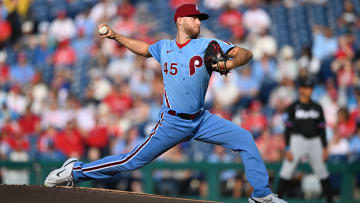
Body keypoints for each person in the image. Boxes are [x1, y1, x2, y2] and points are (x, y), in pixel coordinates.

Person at [44, 4, 287, 203]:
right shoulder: (165, 47)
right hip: (172, 122)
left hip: (202, 120)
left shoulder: (207, 45)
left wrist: (230, 64)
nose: (199, 22)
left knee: (243, 138)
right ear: (180, 20)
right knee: (131, 161)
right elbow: (143, 49)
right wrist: (116, 35)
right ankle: (75, 171)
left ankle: (261, 195)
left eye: (199, 19)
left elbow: (245, 53)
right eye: (194, 18)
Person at [277, 78, 334, 203]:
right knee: (286, 171)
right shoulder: (293, 107)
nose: (309, 90)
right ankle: (276, 200)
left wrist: (324, 147)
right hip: (297, 140)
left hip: (315, 141)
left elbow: (322, 129)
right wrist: (287, 148)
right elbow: (287, 129)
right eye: (306, 88)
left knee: (322, 171)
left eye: (310, 88)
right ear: (301, 89)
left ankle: (330, 200)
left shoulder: (317, 107)